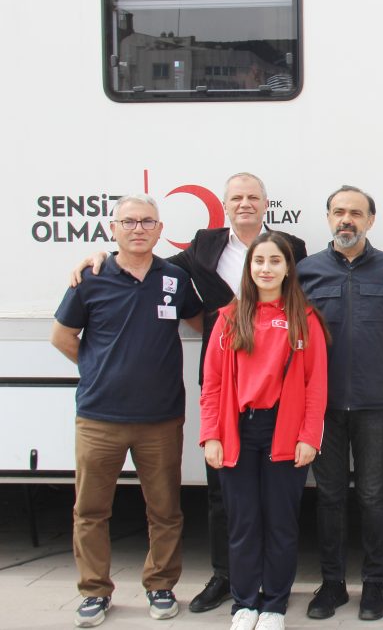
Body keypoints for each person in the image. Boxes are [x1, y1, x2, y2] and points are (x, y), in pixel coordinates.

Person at [71, 172, 308, 614]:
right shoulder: (203, 245)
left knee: (273, 504)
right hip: (222, 379)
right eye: (236, 197)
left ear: (265, 203)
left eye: (252, 197)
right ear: (224, 204)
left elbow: (300, 299)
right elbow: (148, 267)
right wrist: (100, 257)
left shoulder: (289, 247)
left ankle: (270, 588)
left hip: (276, 388)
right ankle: (226, 577)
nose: (244, 204)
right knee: (222, 490)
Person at [52, 194, 203, 627]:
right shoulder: (92, 278)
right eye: (129, 222)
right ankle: (95, 592)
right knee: (91, 510)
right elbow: (62, 336)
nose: (139, 228)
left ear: (159, 229)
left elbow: (202, 323)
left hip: (161, 418)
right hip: (99, 417)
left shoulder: (173, 277)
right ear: (113, 228)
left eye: (147, 222)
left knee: (165, 510)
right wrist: (98, 367)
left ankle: (161, 585)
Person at [200, 231, 329, 630]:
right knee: (242, 522)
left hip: (284, 432)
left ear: (288, 268)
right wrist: (212, 435)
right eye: (259, 262)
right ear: (249, 268)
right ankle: (244, 603)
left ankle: (274, 602)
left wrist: (309, 436)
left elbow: (316, 385)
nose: (266, 269)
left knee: (280, 522)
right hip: (239, 430)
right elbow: (213, 383)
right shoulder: (228, 317)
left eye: (275, 261)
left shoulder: (304, 319)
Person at [297, 185, 383, 621]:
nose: (347, 219)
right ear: (328, 218)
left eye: (356, 213)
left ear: (370, 220)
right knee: (328, 497)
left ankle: (375, 585)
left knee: (372, 495)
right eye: (339, 212)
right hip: (321, 407)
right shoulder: (306, 271)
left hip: (374, 405)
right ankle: (332, 585)